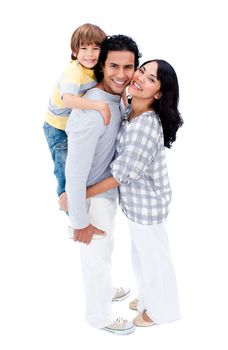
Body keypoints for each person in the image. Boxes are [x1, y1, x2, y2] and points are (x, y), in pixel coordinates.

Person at [86, 59, 183, 327]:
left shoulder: (145, 125)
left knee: (154, 260)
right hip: (137, 204)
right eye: (142, 71)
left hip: (148, 204)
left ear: (159, 93)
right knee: (141, 256)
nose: (140, 78)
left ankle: (161, 311)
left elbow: (120, 174)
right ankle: (147, 300)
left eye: (151, 79)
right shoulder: (131, 109)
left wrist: (82, 192)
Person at [65, 35, 141, 335]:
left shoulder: (114, 98)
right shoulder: (93, 110)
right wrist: (80, 222)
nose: (121, 74)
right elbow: (73, 170)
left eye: (128, 67)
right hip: (90, 199)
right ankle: (100, 316)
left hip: (104, 195)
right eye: (113, 66)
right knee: (95, 259)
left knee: (104, 251)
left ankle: (106, 290)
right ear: (101, 65)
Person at [43, 23, 108, 212]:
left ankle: (77, 201)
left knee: (78, 166)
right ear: (74, 51)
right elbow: (68, 100)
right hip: (57, 127)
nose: (90, 54)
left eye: (96, 48)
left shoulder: (96, 68)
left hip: (71, 124)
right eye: (84, 48)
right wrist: (99, 106)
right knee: (65, 169)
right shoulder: (74, 72)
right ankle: (70, 210)